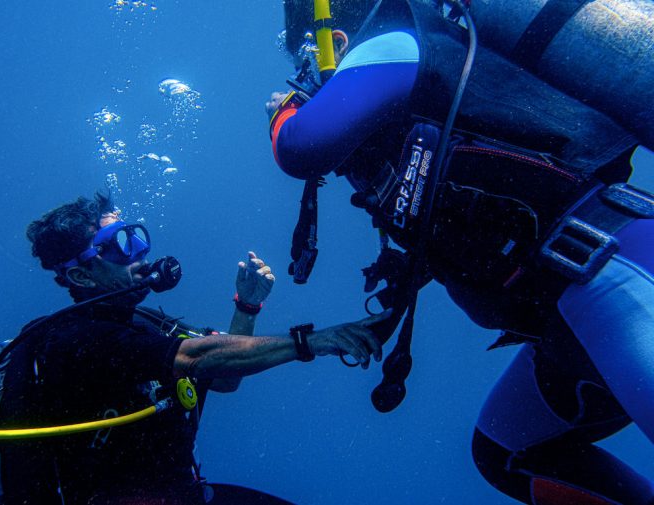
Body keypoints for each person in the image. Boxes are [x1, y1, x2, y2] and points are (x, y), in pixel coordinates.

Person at [266, 1, 654, 503]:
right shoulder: (410, 98)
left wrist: (283, 110)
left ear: (333, 38)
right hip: (567, 318)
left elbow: (302, 145)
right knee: (506, 453)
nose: (306, 78)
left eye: (305, 60)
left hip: (610, 270)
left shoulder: (397, 40)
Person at [0, 192, 387, 505]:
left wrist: (247, 306)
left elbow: (223, 377)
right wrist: (313, 341)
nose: (139, 254)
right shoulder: (72, 340)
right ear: (81, 276)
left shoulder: (144, 322)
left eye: (135, 238)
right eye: (118, 247)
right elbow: (195, 357)